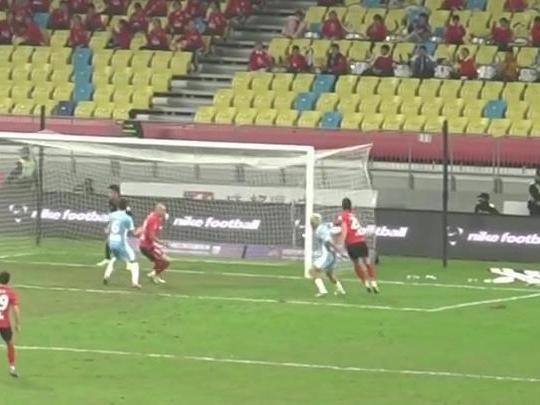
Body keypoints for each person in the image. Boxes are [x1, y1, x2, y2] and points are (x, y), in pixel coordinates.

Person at [336, 197, 379, 293]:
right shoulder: (353, 215)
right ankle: (374, 282)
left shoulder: (343, 216)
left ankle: (366, 282)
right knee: (367, 261)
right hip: (361, 241)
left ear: (342, 206)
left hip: (351, 243)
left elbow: (344, 228)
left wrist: (341, 242)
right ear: (350, 206)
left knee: (356, 263)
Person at [103, 199, 141, 289]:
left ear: (118, 206)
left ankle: (106, 276)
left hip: (111, 242)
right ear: (126, 207)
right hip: (121, 243)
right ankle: (135, 282)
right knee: (134, 261)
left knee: (115, 257)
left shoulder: (112, 215)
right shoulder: (127, 218)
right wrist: (141, 229)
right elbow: (134, 233)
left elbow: (107, 229)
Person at [310, 214, 346, 298]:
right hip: (332, 254)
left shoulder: (320, 230)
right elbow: (332, 224)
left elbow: (328, 241)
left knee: (313, 271)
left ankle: (322, 291)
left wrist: (339, 250)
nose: (311, 223)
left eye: (312, 221)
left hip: (327, 254)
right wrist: (339, 222)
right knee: (329, 273)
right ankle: (340, 290)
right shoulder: (323, 226)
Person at [139, 203, 170, 284]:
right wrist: (162, 243)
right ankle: (155, 276)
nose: (164, 212)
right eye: (163, 210)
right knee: (166, 261)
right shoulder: (153, 219)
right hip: (147, 246)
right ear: (158, 210)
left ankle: (154, 274)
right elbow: (151, 236)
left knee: (160, 261)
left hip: (146, 244)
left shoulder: (152, 216)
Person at [0, 272, 20, 378]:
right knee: (10, 343)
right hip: (4, 324)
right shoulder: (10, 293)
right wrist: (17, 323)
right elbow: (16, 309)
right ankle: (12, 367)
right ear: (8, 281)